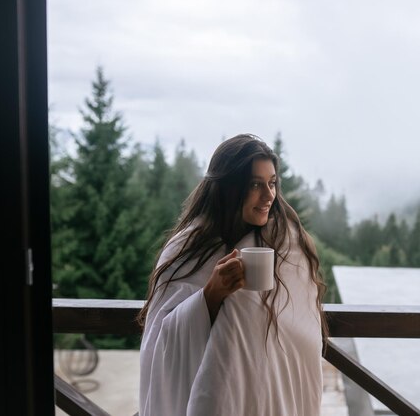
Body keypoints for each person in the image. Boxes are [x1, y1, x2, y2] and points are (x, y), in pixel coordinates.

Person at [137, 133, 328, 416]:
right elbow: (161, 338)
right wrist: (211, 294)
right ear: (229, 188)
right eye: (255, 185)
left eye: (272, 183)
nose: (268, 196)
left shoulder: (287, 245)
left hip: (271, 392)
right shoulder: (188, 248)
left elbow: (301, 328)